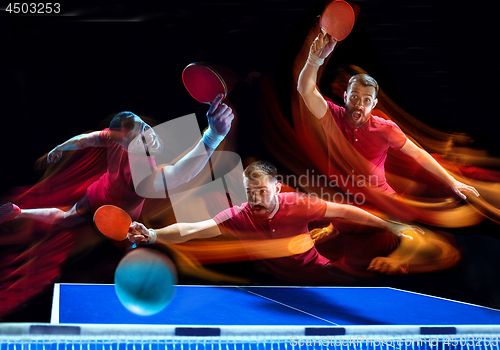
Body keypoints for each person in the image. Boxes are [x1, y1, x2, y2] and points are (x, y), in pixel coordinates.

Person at [128, 160, 426, 284]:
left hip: (318, 275)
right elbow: (193, 229)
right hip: (273, 282)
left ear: (277, 188)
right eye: (249, 192)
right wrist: (152, 234)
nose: (255, 197)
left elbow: (347, 212)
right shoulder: (239, 215)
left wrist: (393, 227)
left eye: (261, 190)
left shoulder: (299, 205)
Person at [0, 93, 234, 227]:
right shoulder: (132, 156)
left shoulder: (128, 144)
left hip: (114, 200)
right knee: (71, 220)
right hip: (112, 200)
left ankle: (20, 212)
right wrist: (214, 135)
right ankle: (19, 212)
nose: (146, 130)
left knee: (68, 218)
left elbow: (83, 140)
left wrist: (59, 148)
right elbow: (180, 174)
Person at [297, 32, 479, 200]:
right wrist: (315, 58)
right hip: (344, 199)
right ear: (345, 97)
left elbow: (419, 154)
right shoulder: (332, 116)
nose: (359, 104)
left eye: (366, 100)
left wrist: (452, 181)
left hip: (383, 201)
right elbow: (305, 89)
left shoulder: (385, 128)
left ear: (373, 104)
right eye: (354, 97)